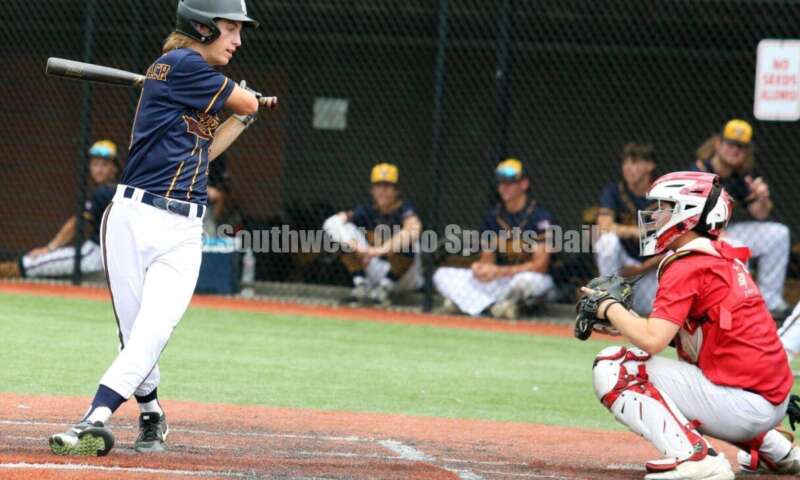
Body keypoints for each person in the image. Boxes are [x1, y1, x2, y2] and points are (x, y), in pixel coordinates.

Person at [49, 0, 263, 457]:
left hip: (184, 229)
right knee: (133, 331)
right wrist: (248, 100)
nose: (238, 39)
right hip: (132, 218)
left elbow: (207, 151)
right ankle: (151, 412)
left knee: (153, 329)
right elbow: (242, 97)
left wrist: (243, 116)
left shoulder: (187, 79)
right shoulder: (180, 63)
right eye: (230, 29)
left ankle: (93, 418)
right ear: (202, 28)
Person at [587, 171, 798, 479]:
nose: (655, 215)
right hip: (767, 397)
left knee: (615, 366)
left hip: (747, 403)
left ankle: (696, 458)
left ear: (688, 214)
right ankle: (776, 450)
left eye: (665, 206)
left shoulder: (688, 264)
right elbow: (696, 334)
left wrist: (608, 307)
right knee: (672, 365)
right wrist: (624, 320)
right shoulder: (721, 255)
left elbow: (652, 341)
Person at [690, 119, 790, 319]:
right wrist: (715, 232)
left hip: (726, 230)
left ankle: (771, 302)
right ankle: (737, 309)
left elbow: (760, 213)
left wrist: (762, 198)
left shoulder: (739, 176)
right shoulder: (700, 170)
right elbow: (690, 217)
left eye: (741, 147)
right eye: (731, 144)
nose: (735, 151)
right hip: (697, 234)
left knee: (779, 234)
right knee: (735, 246)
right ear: (718, 144)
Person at [433, 158, 556, 320]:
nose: (504, 187)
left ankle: (469, 304)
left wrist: (500, 271)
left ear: (524, 184)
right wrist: (482, 269)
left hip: (528, 279)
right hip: (500, 281)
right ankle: (495, 307)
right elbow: (487, 258)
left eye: (510, 182)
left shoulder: (540, 217)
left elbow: (540, 266)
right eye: (501, 183)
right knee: (442, 275)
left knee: (526, 282)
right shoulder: (493, 216)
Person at [0, 140, 120, 280]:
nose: (98, 169)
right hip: (112, 256)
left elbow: (75, 223)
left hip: (96, 254)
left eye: (104, 165)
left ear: (114, 168)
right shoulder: (119, 190)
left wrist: (49, 248)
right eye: (95, 164)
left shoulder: (104, 192)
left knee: (29, 263)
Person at [322, 163, 422, 305]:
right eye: (378, 186)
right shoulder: (367, 210)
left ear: (397, 191)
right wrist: (355, 246)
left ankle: (385, 288)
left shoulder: (405, 210)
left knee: (408, 238)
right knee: (342, 230)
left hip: (404, 278)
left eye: (387, 186)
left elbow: (413, 229)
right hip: (374, 268)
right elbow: (332, 222)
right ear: (372, 190)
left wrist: (380, 250)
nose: (382, 191)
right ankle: (361, 285)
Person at [595, 143, 661, 315]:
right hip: (622, 265)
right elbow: (604, 226)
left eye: (635, 163)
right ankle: (608, 299)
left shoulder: (663, 194)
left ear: (650, 165)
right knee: (606, 241)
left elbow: (673, 243)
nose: (628, 168)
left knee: (657, 309)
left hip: (651, 270)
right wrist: (635, 232)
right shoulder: (614, 191)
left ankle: (622, 309)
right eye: (626, 163)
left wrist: (640, 269)